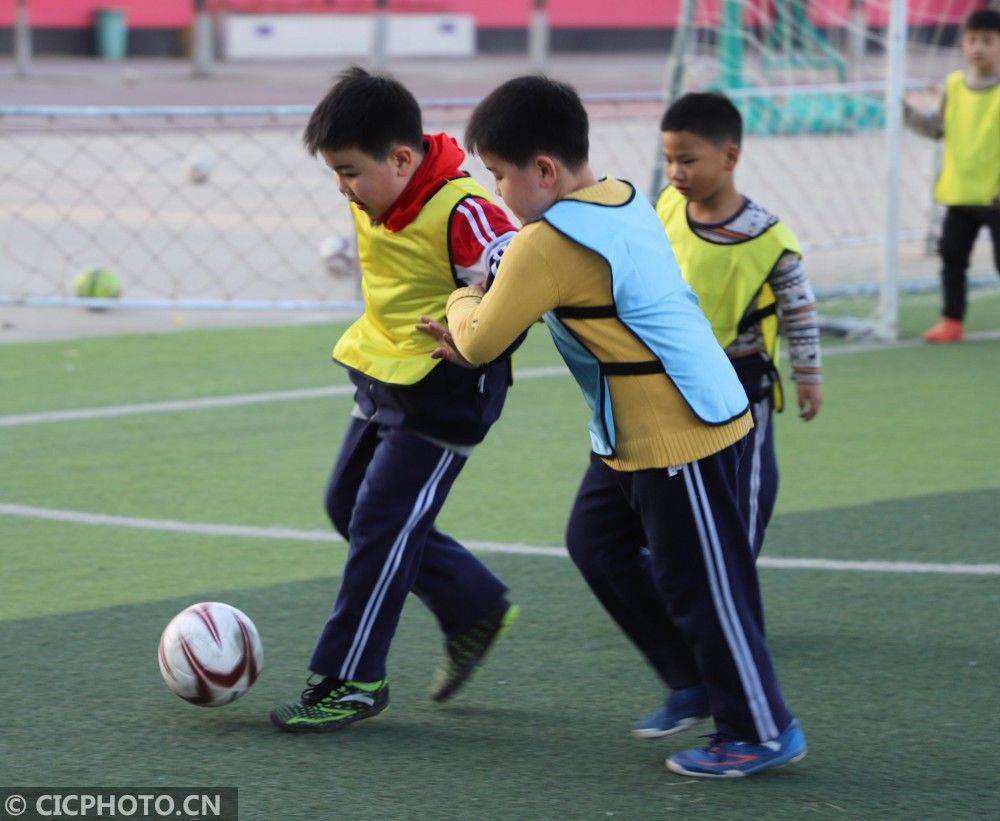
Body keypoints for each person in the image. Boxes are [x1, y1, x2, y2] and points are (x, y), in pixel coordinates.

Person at [421, 75, 806, 778]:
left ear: (543, 169)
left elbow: (478, 340)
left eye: (501, 176)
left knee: (704, 584)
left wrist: (459, 297)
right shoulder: (624, 194)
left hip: (677, 428)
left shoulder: (547, 243)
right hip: (629, 431)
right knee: (595, 541)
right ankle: (691, 678)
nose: (498, 192)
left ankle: (760, 726)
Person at [270, 67, 519, 733]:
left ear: (402, 158)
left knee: (381, 518)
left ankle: (352, 677)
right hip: (383, 376)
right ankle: (473, 605)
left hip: (445, 392)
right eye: (335, 173)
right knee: (347, 505)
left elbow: (519, 287)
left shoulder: (466, 212)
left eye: (350, 171)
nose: (343, 188)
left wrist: (478, 342)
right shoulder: (378, 197)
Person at [656, 91, 822, 559]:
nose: (675, 173)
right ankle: (681, 578)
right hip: (676, 379)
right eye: (668, 160)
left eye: (687, 160)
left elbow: (799, 310)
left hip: (743, 383)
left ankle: (735, 578)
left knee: (747, 486)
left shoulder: (765, 236)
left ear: (730, 157)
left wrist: (808, 376)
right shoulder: (667, 206)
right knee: (675, 489)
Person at [903, 7, 1000, 343]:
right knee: (952, 259)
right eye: (972, 40)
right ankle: (952, 320)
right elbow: (937, 129)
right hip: (960, 193)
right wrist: (907, 113)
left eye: (987, 40)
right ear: (962, 44)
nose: (979, 47)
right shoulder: (954, 86)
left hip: (995, 196)